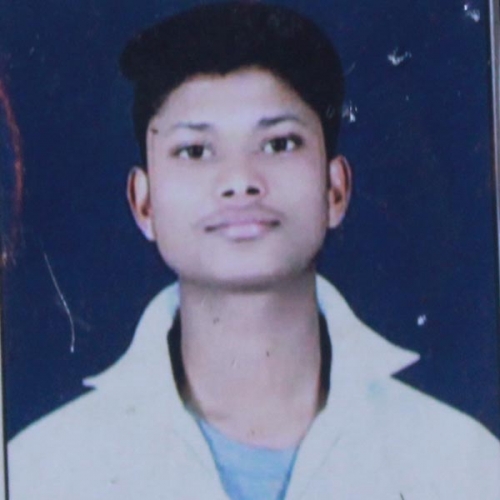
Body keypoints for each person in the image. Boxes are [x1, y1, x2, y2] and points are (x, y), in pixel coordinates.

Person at [8, 3, 500, 499]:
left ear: (335, 189)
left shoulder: (462, 461)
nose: (240, 181)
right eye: (195, 151)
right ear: (144, 203)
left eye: (279, 144)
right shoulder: (41, 470)